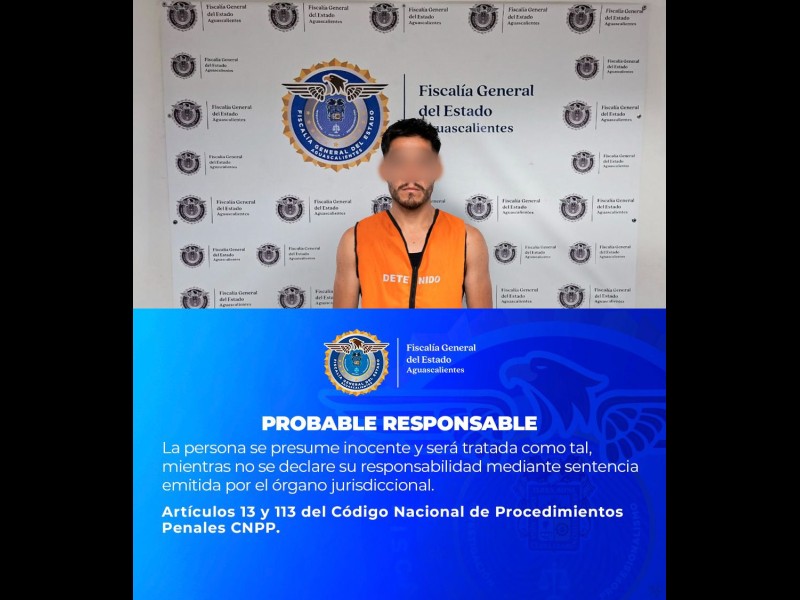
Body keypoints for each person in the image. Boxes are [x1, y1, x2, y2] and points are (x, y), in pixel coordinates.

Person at [333, 118, 492, 308]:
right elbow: (341, 324)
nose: (410, 175)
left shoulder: (468, 239)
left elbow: (482, 323)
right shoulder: (355, 238)